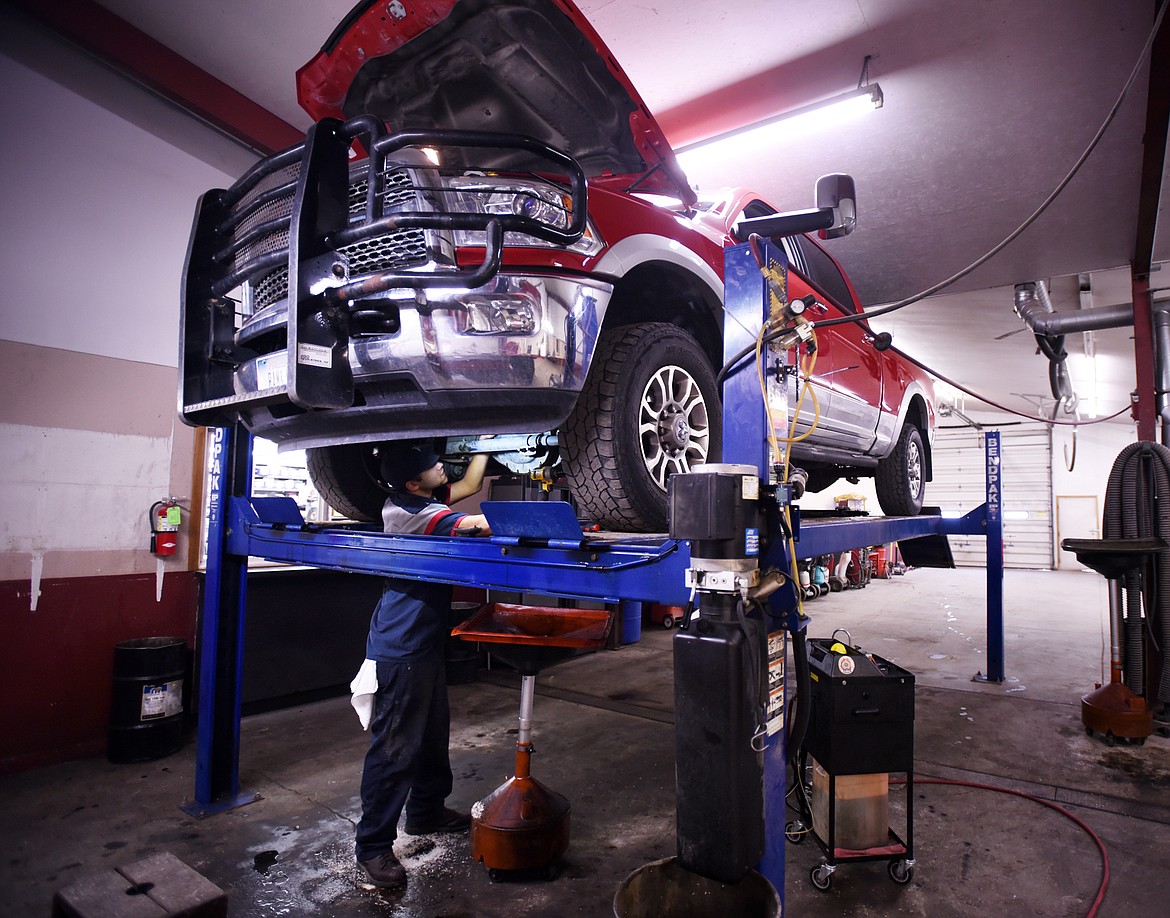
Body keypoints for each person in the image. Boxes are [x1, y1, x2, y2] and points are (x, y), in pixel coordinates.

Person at [354, 439, 492, 888]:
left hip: (423, 643)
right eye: (434, 466)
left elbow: (470, 482)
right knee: (395, 749)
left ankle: (427, 812)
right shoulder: (419, 516)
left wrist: (490, 444)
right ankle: (373, 846)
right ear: (415, 482)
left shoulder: (413, 499)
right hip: (402, 648)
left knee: (432, 738)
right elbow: (477, 523)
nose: (441, 467)